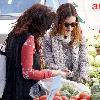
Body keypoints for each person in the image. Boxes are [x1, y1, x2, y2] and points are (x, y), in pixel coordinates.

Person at [2, 3, 70, 100]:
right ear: (39, 24)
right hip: (23, 93)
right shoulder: (28, 39)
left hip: (11, 89)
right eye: (46, 27)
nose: (45, 30)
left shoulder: (14, 34)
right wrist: (54, 73)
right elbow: (28, 73)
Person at [43, 3, 89, 82]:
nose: (70, 28)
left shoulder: (79, 36)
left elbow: (83, 59)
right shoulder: (48, 38)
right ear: (59, 23)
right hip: (57, 80)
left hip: (77, 81)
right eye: (66, 24)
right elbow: (49, 62)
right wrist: (62, 72)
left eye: (73, 24)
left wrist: (83, 74)